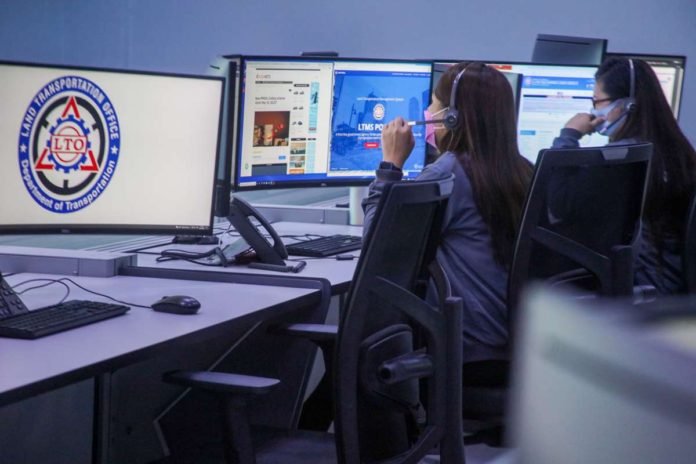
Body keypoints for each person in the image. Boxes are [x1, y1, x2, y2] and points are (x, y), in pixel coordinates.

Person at [362, 62, 533, 368]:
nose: (428, 112)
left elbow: (377, 248)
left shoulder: (447, 173)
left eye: (435, 104)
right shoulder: (522, 169)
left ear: (452, 118)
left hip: (466, 351)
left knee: (359, 352)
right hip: (514, 345)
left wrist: (390, 166)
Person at [552, 57, 696, 294]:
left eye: (598, 101)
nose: (594, 110)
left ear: (628, 104)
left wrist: (569, 135)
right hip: (671, 290)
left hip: (644, 294)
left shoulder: (624, 160)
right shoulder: (677, 152)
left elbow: (560, 204)